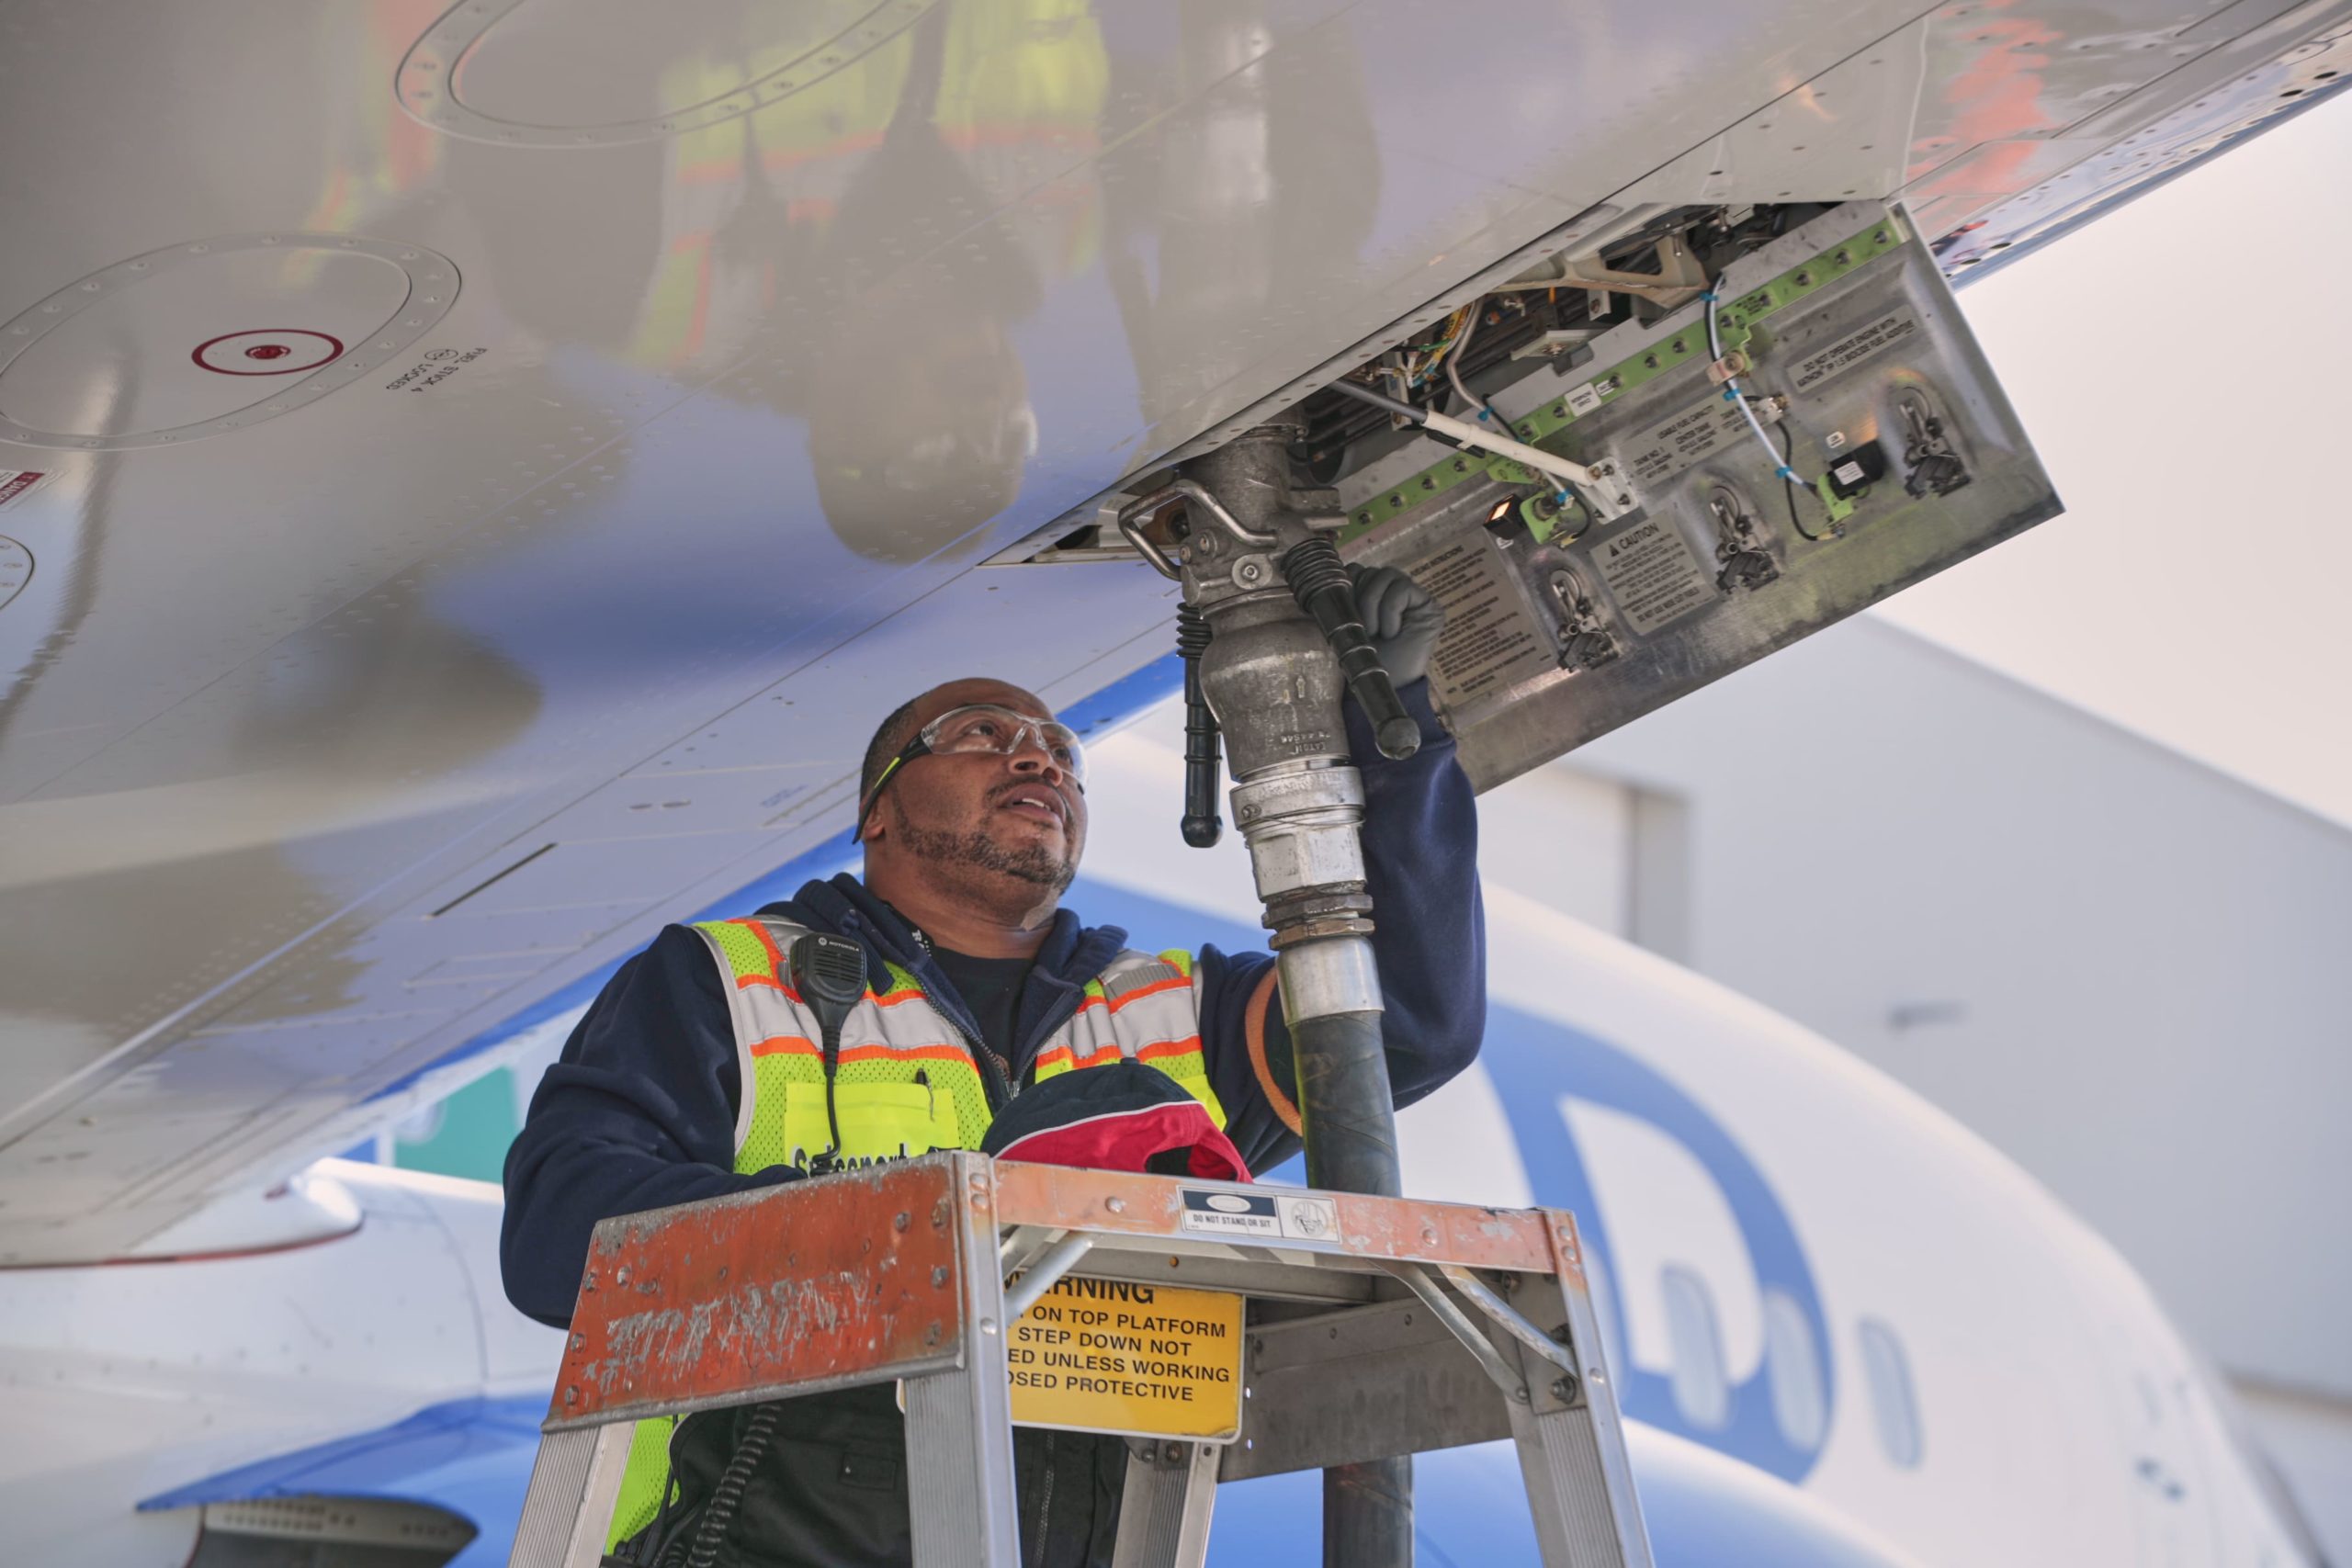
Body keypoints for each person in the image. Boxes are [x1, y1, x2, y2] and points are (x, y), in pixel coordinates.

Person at [501, 566, 1484, 1567]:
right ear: (875, 812)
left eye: (1063, 752)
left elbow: (1405, 1024)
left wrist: (1395, 732)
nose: (1039, 760)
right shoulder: (729, 978)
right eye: (981, 734)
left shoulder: (1181, 1012)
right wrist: (901, 1240)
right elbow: (556, 1237)